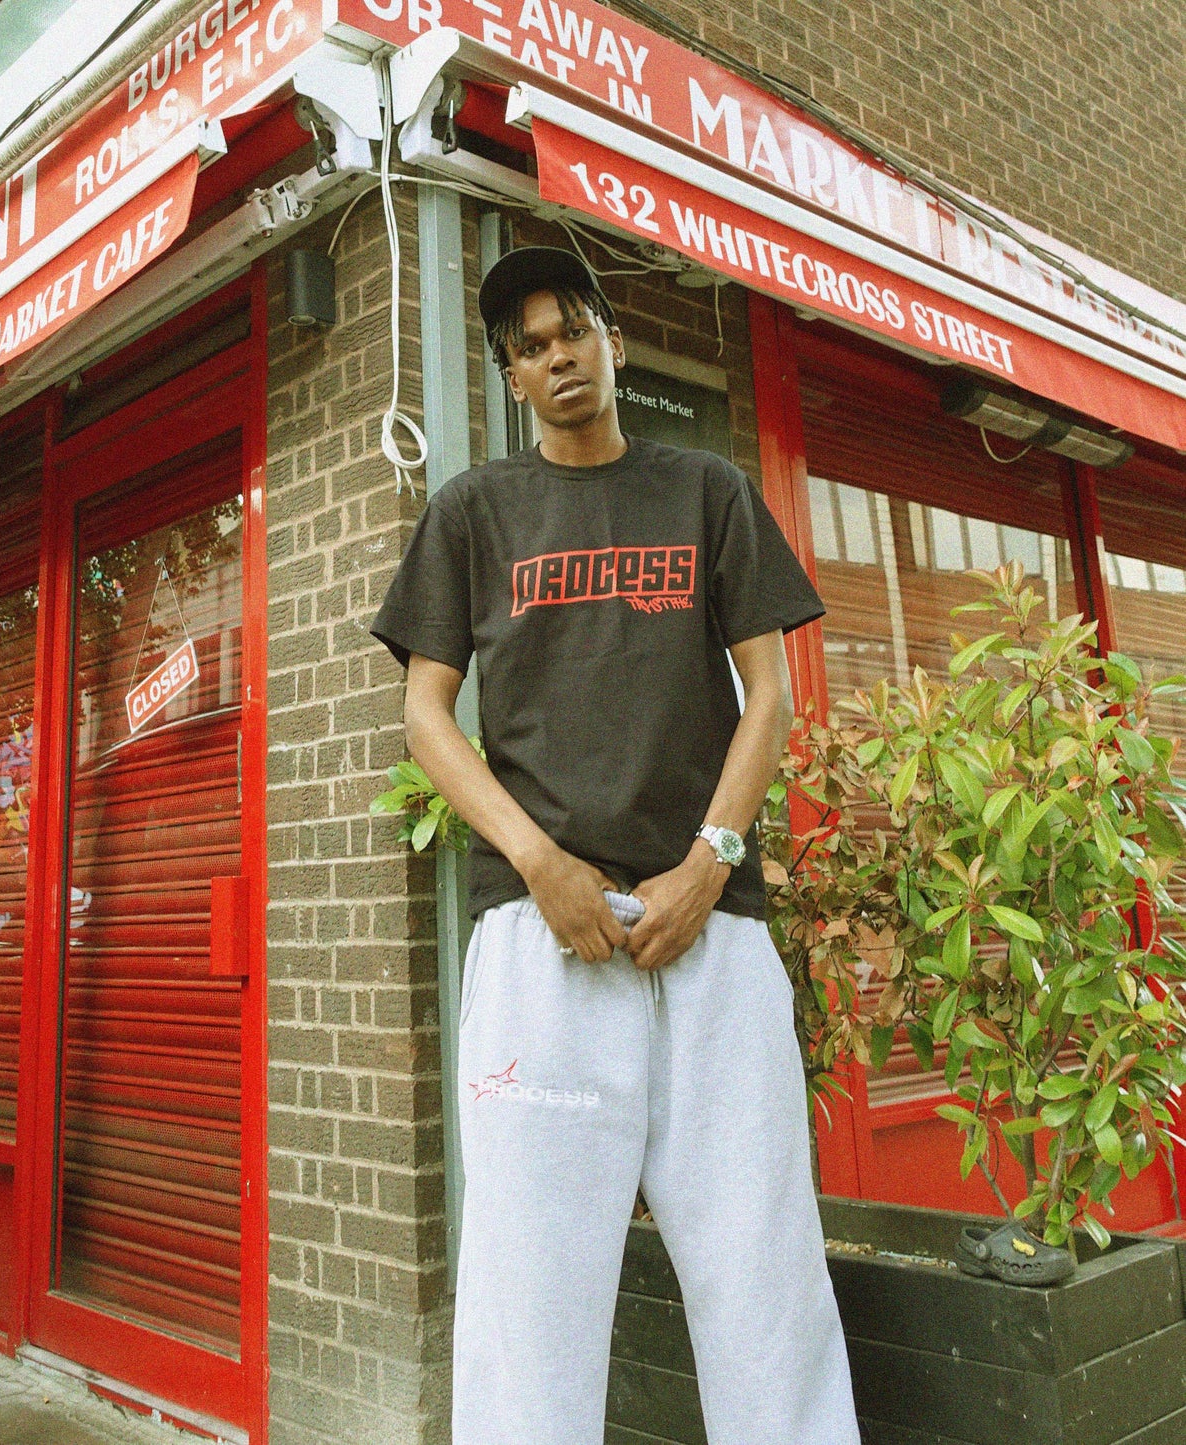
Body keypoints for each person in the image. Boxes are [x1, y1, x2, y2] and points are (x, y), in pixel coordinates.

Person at [370, 246, 860, 1445]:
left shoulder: (705, 490)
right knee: (529, 1287)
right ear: (510, 373)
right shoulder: (473, 511)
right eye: (530, 344)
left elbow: (772, 696)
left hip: (709, 936)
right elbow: (425, 712)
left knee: (762, 1268)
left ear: (612, 342)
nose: (558, 354)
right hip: (542, 945)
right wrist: (538, 861)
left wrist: (712, 858)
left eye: (572, 327)